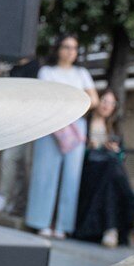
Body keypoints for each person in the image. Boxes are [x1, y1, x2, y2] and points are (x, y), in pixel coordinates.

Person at [25, 35, 98, 238]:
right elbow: (43, 98)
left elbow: (94, 100)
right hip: (52, 125)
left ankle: (63, 225)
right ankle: (40, 221)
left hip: (75, 127)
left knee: (71, 177)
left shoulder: (81, 73)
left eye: (74, 48)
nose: (70, 51)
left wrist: (72, 105)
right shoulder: (47, 71)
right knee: (45, 174)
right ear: (58, 49)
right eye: (66, 47)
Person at [73, 89, 134, 248]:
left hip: (107, 171)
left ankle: (110, 231)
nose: (107, 106)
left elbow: (121, 155)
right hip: (88, 168)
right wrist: (91, 147)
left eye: (111, 103)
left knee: (111, 172)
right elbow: (76, 150)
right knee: (112, 169)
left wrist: (115, 150)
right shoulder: (84, 122)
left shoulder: (115, 127)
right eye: (105, 101)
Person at [0, 55, 40, 215]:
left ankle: (16, 202)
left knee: (24, 164)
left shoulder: (37, 68)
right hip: (14, 121)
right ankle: (5, 197)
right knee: (10, 159)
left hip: (32, 121)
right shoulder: (11, 68)